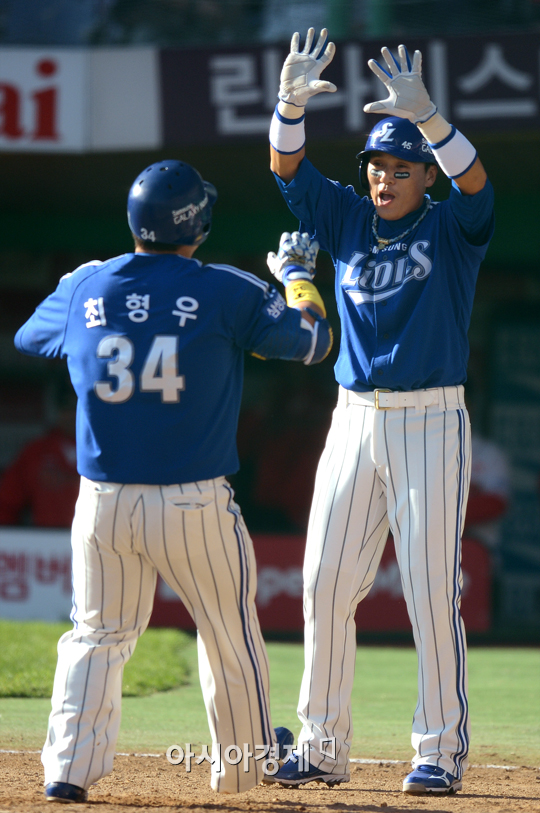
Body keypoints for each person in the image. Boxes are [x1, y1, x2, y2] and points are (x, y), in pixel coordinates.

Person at [14, 159, 332, 802]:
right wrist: (298, 278)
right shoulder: (225, 288)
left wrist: (83, 284)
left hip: (101, 502)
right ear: (199, 223)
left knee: (97, 635)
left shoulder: (87, 287)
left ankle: (67, 770)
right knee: (226, 629)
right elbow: (313, 342)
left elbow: (29, 336)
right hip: (193, 503)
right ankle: (242, 767)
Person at [265, 30, 494, 795]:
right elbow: (287, 168)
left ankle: (438, 749)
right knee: (325, 580)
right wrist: (288, 104)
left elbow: (479, 187)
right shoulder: (347, 219)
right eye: (377, 165)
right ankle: (323, 745)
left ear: (424, 175)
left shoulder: (449, 227)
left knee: (431, 588)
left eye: (402, 168)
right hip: (354, 415)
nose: (386, 178)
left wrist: (433, 122)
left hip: (431, 418)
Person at [0, 385, 79, 527]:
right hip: (47, 542)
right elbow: (6, 503)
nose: (73, 415)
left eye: (78, 409)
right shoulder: (37, 452)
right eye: (66, 409)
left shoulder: (107, 450)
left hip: (100, 542)